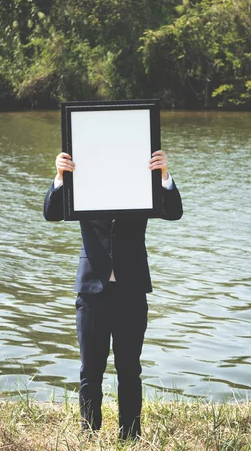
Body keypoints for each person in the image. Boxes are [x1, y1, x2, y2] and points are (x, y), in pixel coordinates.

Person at [43, 150, 183, 440]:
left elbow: (174, 212)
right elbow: (52, 214)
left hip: (132, 290)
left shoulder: (141, 183)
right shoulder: (83, 182)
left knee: (130, 369)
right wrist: (59, 176)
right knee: (90, 370)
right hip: (91, 291)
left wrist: (164, 175)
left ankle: (130, 437)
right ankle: (89, 435)